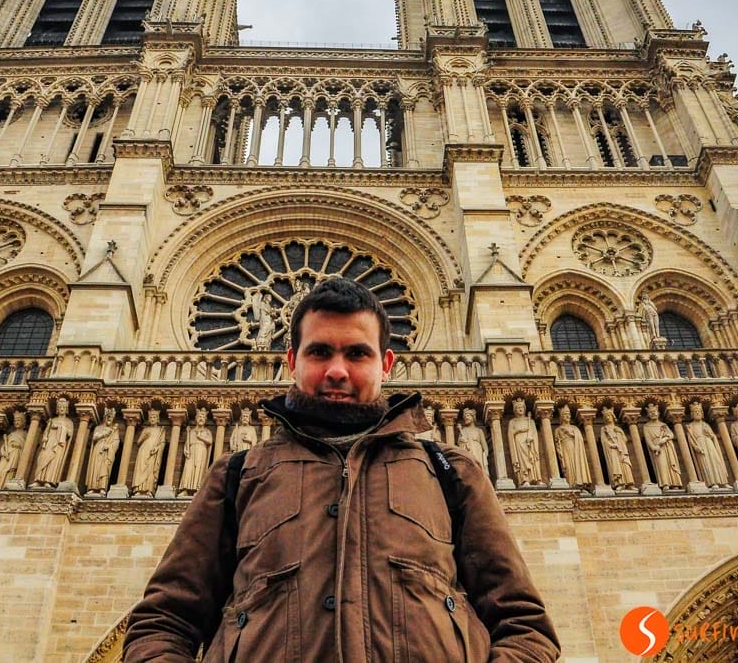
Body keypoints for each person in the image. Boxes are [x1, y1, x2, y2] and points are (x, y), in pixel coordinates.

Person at [124, 277, 559, 662]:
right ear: (291, 361)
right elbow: (162, 624)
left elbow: (524, 627)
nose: (336, 370)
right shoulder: (238, 474)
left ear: (385, 365)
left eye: (356, 353)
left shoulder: (449, 471)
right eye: (319, 352)